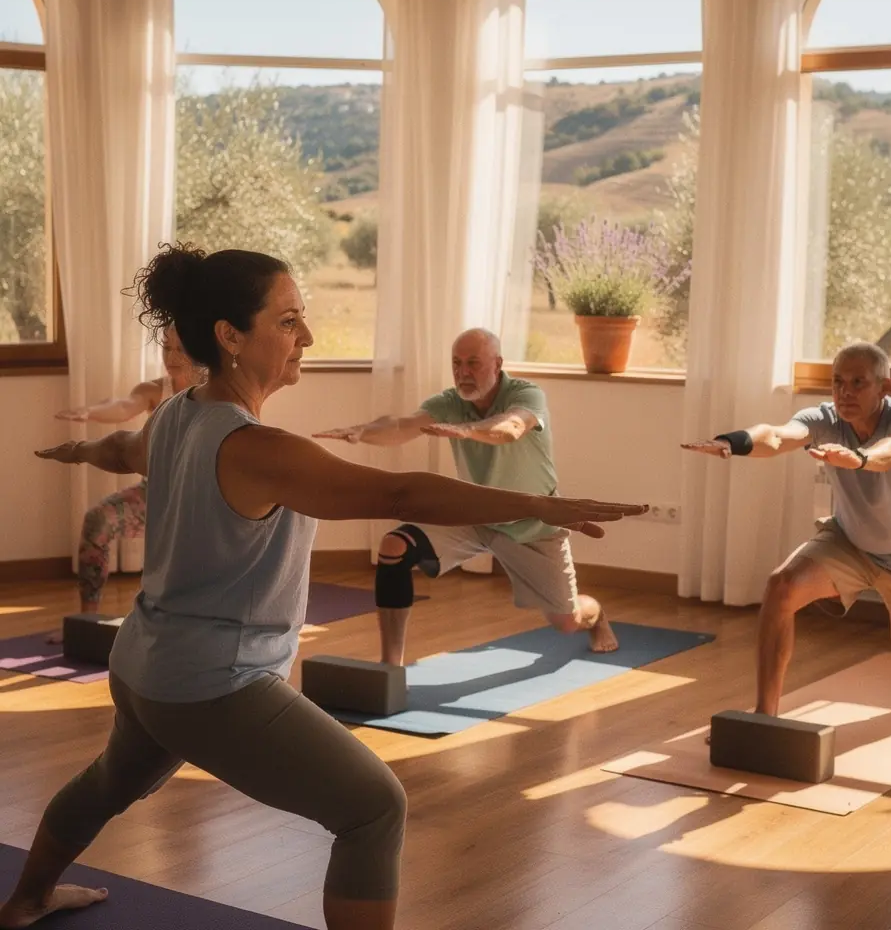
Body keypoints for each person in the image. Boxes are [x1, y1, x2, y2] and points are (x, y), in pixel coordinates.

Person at [0, 244, 645, 930]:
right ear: (230, 336)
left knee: (108, 783)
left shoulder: (176, 415)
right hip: (211, 683)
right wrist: (541, 507)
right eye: (287, 322)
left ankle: (25, 900)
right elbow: (398, 489)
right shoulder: (259, 450)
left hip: (143, 663)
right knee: (374, 809)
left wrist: (74, 451)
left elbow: (120, 449)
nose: (305, 336)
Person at [682, 340, 891, 721]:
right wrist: (732, 442)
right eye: (837, 382)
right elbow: (778, 435)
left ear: (884, 387)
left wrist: (861, 458)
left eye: (858, 382)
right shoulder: (826, 419)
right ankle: (765, 713)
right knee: (781, 587)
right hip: (851, 543)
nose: (844, 392)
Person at [314, 327, 619, 668]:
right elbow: (403, 425)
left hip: (532, 524)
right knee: (394, 547)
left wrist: (467, 430)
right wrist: (364, 432)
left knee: (567, 620)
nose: (463, 372)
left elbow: (510, 428)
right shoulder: (449, 402)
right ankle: (391, 666)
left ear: (498, 364)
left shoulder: (527, 395)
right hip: (474, 516)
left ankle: (598, 614)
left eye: (473, 363)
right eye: (457, 363)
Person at [47, 326, 203, 643]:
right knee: (97, 520)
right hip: (155, 494)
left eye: (180, 349)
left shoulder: (217, 391)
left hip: (200, 499)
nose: (171, 357)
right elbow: (123, 405)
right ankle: (88, 621)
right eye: (165, 347)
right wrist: (90, 411)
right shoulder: (154, 390)